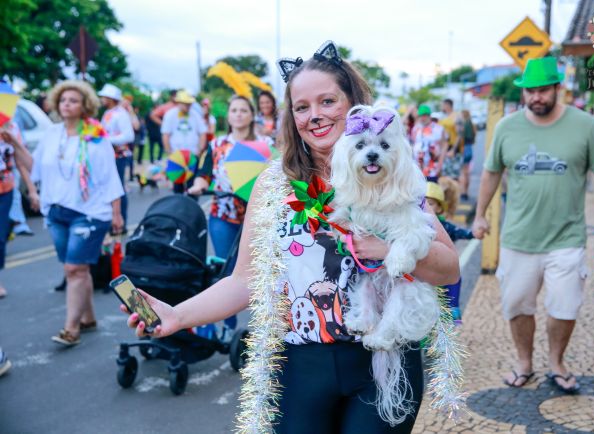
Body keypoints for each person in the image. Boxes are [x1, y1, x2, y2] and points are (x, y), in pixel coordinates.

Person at [123, 41, 459, 433]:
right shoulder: (272, 185)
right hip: (299, 366)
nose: (314, 116)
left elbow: (449, 268)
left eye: (328, 101)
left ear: (353, 103)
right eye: (302, 107)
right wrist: (177, 316)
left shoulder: (390, 173)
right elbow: (244, 280)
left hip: (383, 360)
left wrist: (389, 250)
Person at [472, 57, 594, 392]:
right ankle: (525, 362)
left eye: (542, 90)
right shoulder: (507, 128)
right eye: (530, 92)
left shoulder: (585, 125)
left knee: (564, 307)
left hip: (566, 238)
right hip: (518, 238)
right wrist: (480, 214)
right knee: (517, 305)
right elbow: (491, 172)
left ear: (557, 88)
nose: (536, 97)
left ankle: (556, 362)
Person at [31, 80, 124, 346]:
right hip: (57, 211)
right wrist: (12, 141)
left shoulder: (96, 135)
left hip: (90, 212)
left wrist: (116, 212)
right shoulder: (52, 134)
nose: (67, 104)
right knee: (76, 269)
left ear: (85, 105)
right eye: (63, 100)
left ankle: (71, 328)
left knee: (75, 268)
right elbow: (34, 167)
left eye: (73, 100)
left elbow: (110, 177)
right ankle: (89, 318)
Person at [188, 95, 271, 341]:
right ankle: (228, 324)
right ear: (228, 115)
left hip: (257, 217)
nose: (238, 114)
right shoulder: (216, 145)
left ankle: (269, 326)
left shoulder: (265, 144)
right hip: (222, 215)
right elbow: (203, 174)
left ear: (251, 114)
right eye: (233, 110)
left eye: (243, 110)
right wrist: (197, 186)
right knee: (226, 270)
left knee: (259, 272)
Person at [425, 180, 473, 323]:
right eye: (423, 203)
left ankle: (453, 310)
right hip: (424, 271)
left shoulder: (445, 226)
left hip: (442, 269)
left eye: (431, 204)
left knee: (454, 281)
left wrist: (473, 234)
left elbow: (461, 232)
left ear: (439, 208)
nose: (426, 207)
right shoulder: (414, 223)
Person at [0, 119, 35, 298]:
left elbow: (20, 162)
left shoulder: (11, 127)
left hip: (5, 189)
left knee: (1, 236)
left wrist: (32, 189)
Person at [98, 83, 134, 230]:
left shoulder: (121, 114)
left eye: (104, 97)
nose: (101, 99)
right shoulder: (108, 113)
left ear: (110, 98)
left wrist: (106, 140)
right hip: (108, 155)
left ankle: (122, 221)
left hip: (118, 156)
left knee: (118, 189)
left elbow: (128, 136)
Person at [161, 90, 207, 194]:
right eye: (185, 104)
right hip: (177, 154)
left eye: (189, 104)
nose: (188, 106)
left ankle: (191, 206)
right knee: (177, 182)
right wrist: (169, 153)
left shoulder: (195, 115)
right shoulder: (170, 115)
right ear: (178, 103)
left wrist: (200, 150)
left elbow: (202, 133)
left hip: (192, 154)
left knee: (193, 183)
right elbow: (165, 135)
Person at [411, 104, 446, 178]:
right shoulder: (416, 128)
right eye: (420, 116)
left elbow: (444, 147)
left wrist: (440, 165)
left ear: (429, 115)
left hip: (432, 168)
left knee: (432, 188)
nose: (422, 118)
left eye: (424, 115)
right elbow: (414, 144)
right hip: (418, 168)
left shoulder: (438, 129)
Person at [147, 89, 177, 163]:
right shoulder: (166, 106)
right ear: (171, 96)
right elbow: (153, 115)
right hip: (170, 134)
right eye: (175, 96)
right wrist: (163, 124)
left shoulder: (183, 106)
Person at [439, 98, 465, 180]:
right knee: (445, 175)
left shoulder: (456, 116)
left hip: (453, 149)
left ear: (447, 105)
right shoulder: (444, 117)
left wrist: (453, 150)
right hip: (444, 149)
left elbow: (460, 134)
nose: (441, 107)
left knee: (453, 176)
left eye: (442, 105)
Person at [459, 109, 476, 201]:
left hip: (464, 148)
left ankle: (463, 193)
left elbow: (461, 137)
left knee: (463, 172)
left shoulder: (465, 124)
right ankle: (466, 192)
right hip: (469, 148)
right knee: (467, 172)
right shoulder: (471, 124)